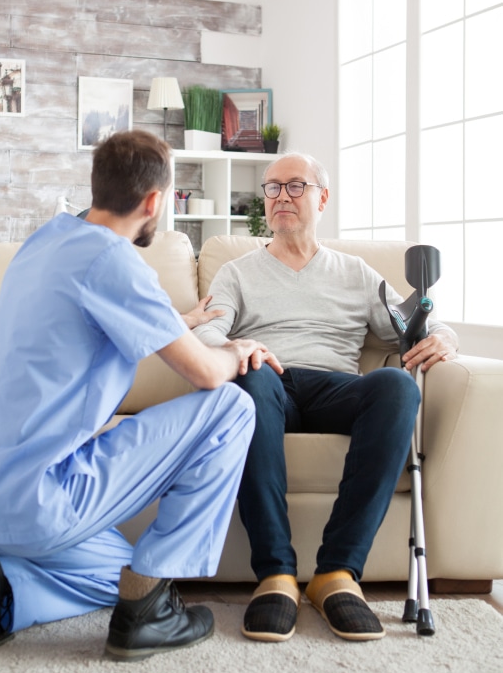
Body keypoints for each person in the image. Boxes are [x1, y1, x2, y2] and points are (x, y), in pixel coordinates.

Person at [0, 130, 283, 661]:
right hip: (43, 500)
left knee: (119, 572)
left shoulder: (45, 241)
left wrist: (176, 322)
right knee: (233, 407)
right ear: (155, 201)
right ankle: (147, 620)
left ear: (97, 187)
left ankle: (0, 584)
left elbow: (91, 324)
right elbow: (209, 375)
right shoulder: (115, 263)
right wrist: (239, 351)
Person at [193, 151, 459, 643]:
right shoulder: (236, 272)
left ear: (322, 197)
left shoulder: (355, 273)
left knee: (397, 385)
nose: (281, 197)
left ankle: (336, 573)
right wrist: (235, 346)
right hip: (270, 380)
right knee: (250, 379)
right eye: (272, 188)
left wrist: (444, 337)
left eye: (295, 186)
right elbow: (207, 334)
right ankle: (275, 574)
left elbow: (411, 322)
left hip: (337, 387)